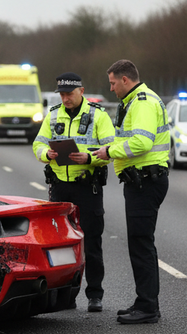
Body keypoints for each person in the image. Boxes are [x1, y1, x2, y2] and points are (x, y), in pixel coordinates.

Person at [94, 59, 170, 324]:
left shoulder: (142, 103)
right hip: (141, 180)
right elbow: (127, 139)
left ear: (125, 80)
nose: (112, 88)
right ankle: (144, 301)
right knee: (140, 243)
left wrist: (109, 151)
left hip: (145, 181)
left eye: (113, 83)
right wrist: (101, 150)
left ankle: (148, 307)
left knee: (141, 244)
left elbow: (142, 141)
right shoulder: (135, 101)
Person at [33, 73, 115, 313]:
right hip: (60, 187)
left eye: (69, 94)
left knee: (91, 242)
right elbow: (38, 143)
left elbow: (111, 148)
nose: (65, 98)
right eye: (62, 94)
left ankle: (95, 295)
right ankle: (64, 296)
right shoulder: (54, 114)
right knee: (59, 244)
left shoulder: (98, 115)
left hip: (87, 187)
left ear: (82, 91)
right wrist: (45, 155)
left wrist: (89, 157)